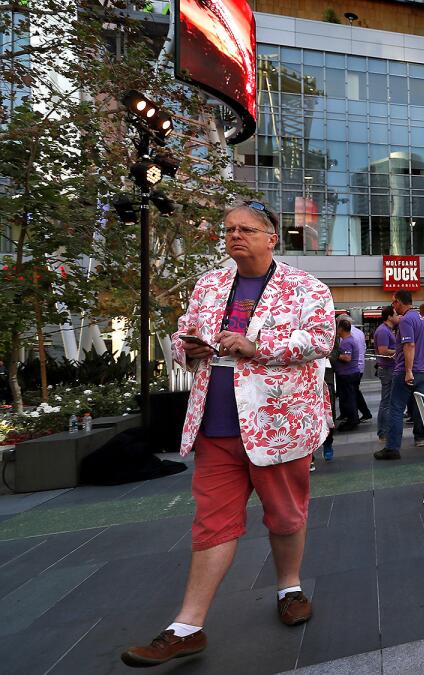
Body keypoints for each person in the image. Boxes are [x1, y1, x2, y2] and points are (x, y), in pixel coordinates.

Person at [122, 202, 333, 667]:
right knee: (211, 524)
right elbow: (183, 335)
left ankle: (289, 587)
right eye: (229, 229)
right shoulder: (209, 284)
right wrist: (188, 347)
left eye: (246, 229)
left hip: (278, 425)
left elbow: (320, 339)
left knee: (285, 514)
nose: (235, 236)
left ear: (271, 237)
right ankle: (187, 625)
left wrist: (259, 347)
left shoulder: (306, 288)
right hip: (214, 426)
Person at [376, 290, 424, 460]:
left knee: (396, 408)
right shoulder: (420, 318)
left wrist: (407, 370)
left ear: (400, 302)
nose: (393, 306)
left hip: (408, 372)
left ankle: (392, 447)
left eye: (394, 302)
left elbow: (409, 346)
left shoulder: (406, 320)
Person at [333, 317, 366, 431]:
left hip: (347, 374)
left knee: (349, 399)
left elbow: (347, 357)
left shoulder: (346, 342)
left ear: (341, 329)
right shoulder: (350, 340)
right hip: (351, 373)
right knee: (350, 397)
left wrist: (334, 355)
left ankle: (352, 420)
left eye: (337, 328)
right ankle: (353, 418)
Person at [373, 306, 400, 443]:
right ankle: (382, 432)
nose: (397, 316)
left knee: (388, 401)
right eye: (395, 314)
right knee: (386, 401)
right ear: (389, 317)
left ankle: (385, 431)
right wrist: (398, 351)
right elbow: (383, 350)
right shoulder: (383, 331)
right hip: (387, 369)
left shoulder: (388, 330)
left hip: (390, 368)